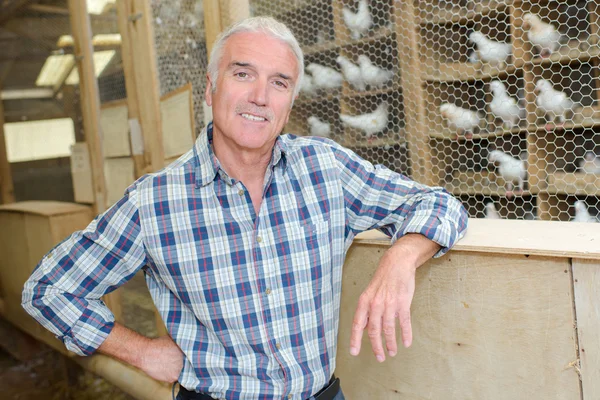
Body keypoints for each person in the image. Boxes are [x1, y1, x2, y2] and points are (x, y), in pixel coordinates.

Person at [22, 16, 468, 400]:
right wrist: (141, 351)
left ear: (291, 101)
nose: (260, 96)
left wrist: (402, 256)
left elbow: (438, 202)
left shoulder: (326, 168)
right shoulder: (155, 201)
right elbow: (49, 291)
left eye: (279, 82)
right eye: (242, 74)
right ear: (212, 86)